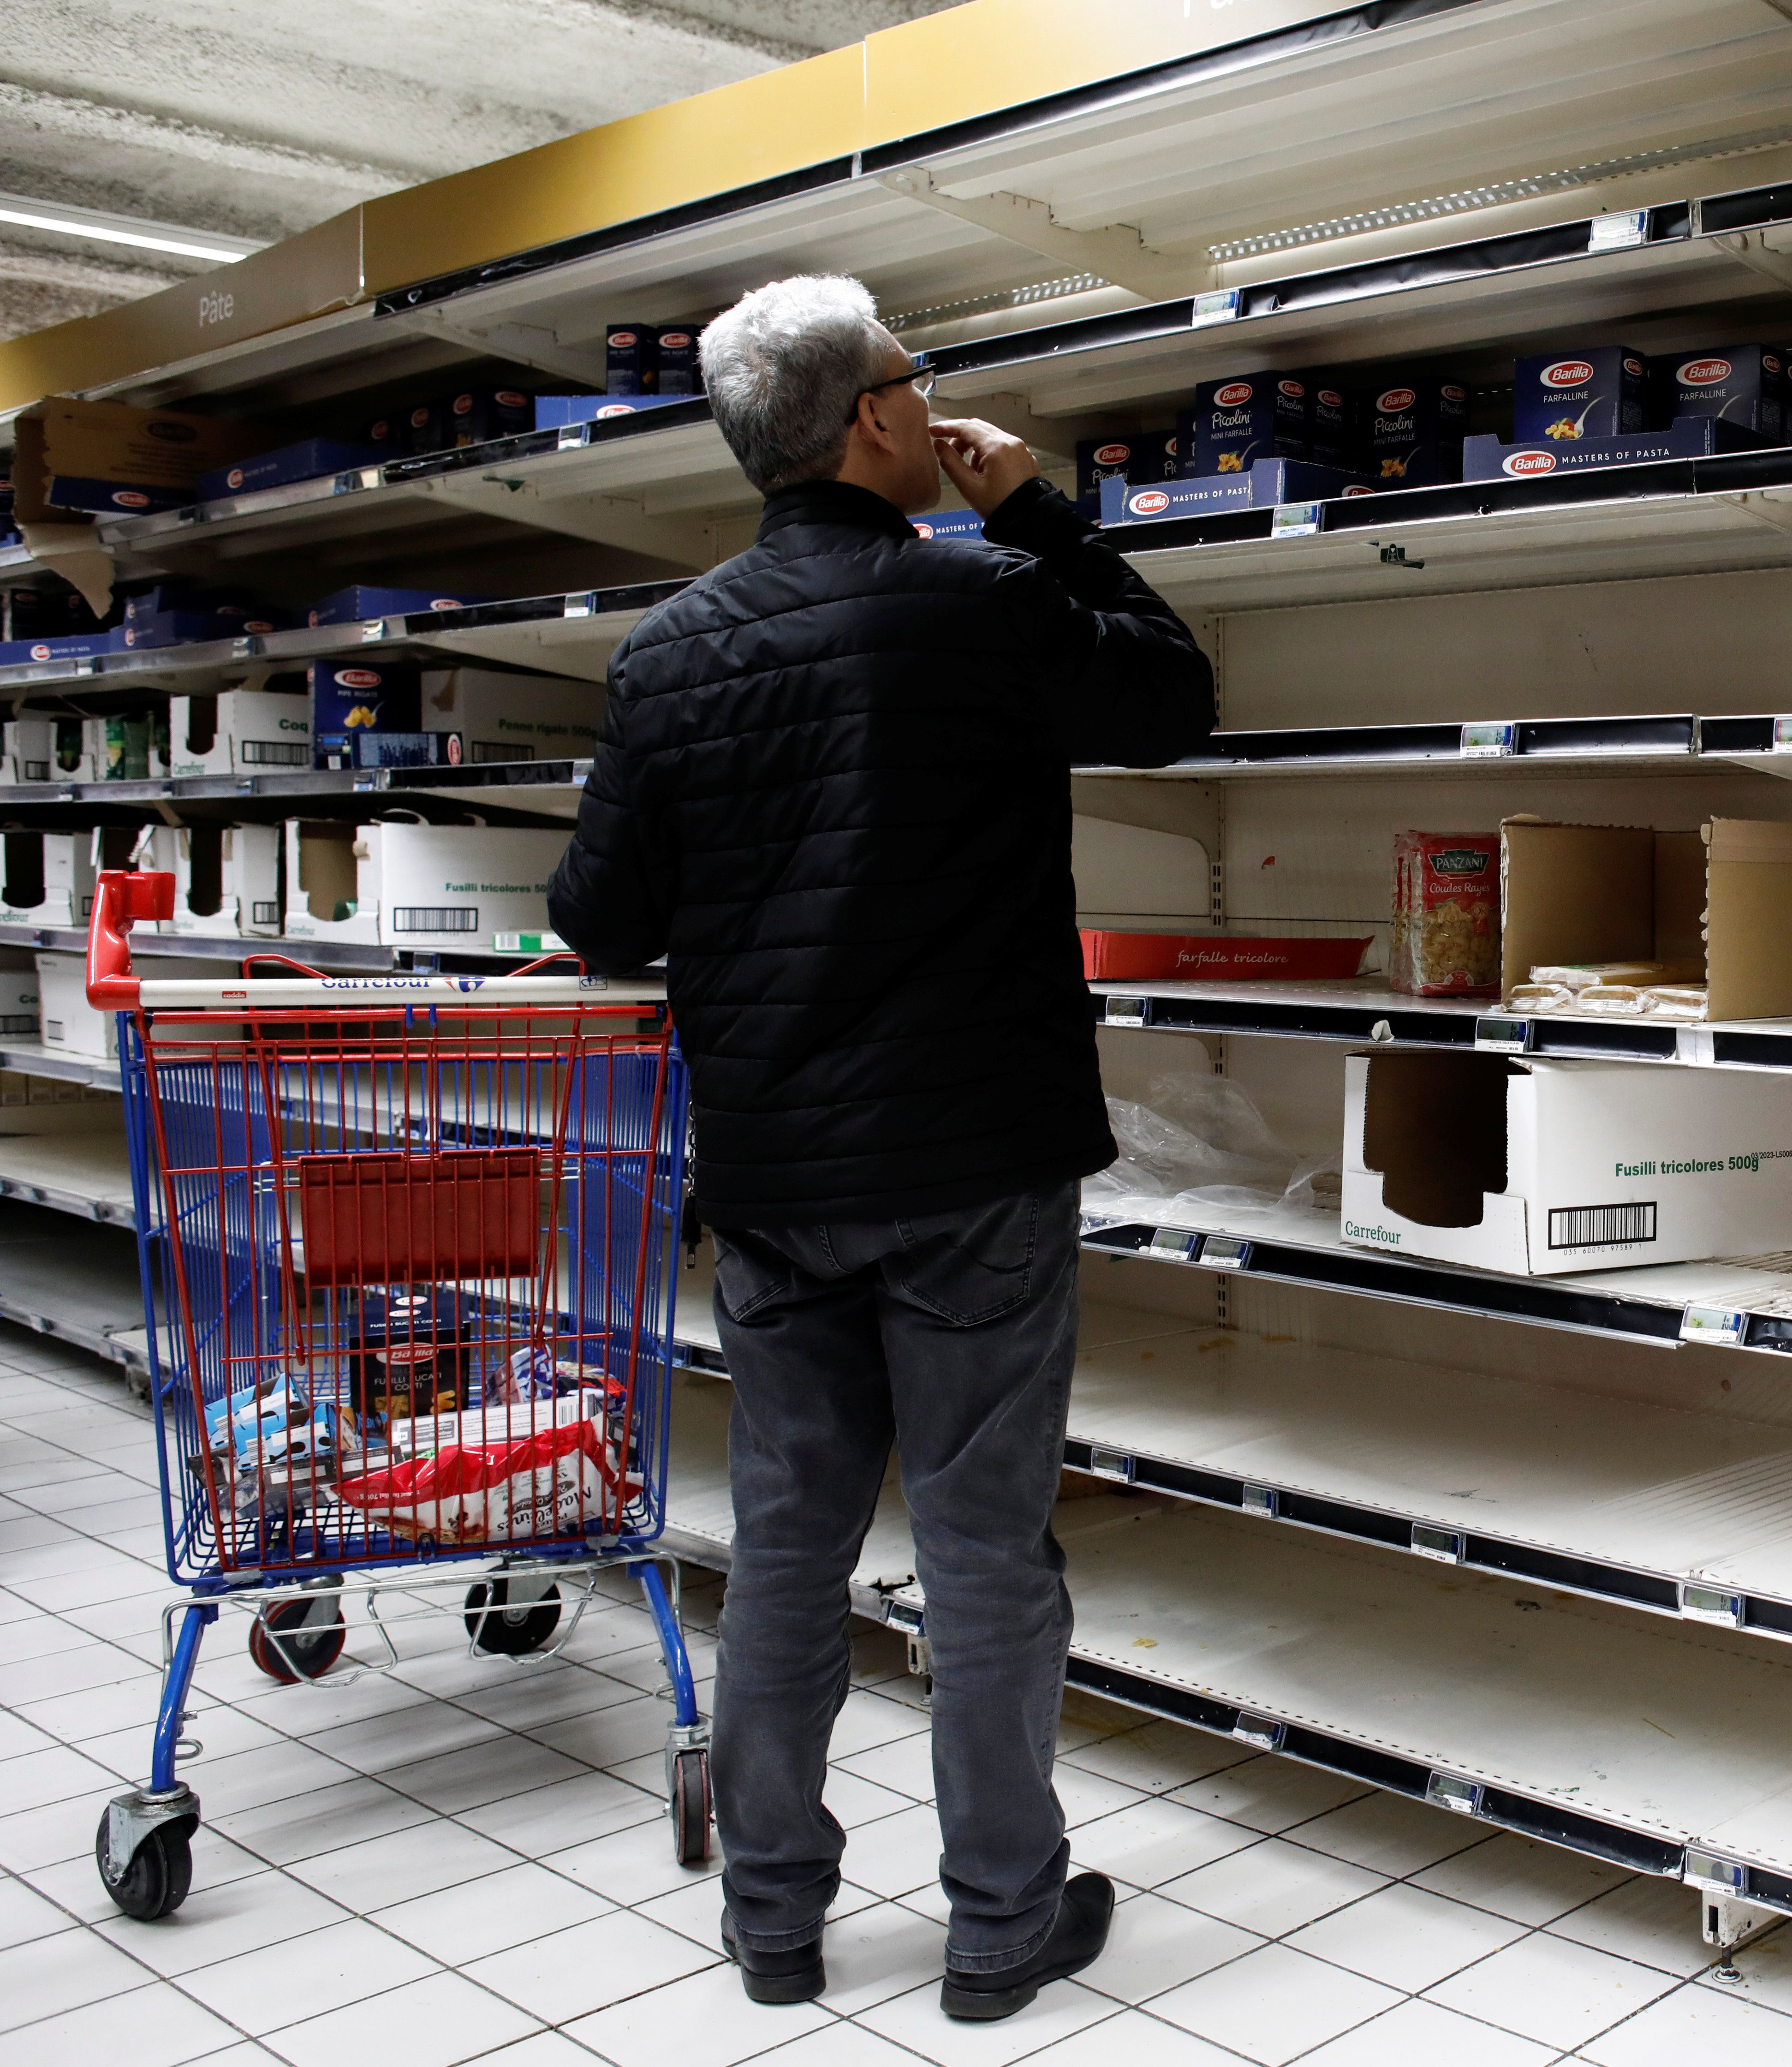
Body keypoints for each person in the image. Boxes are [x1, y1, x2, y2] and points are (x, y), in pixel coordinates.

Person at [550, 274, 1215, 2021]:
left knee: (786, 1549)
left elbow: (601, 921)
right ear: (871, 421)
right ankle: (1002, 1925)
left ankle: (773, 1921)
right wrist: (1038, 510)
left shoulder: (669, 650)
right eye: (923, 385)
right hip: (976, 1173)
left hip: (777, 1182)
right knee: (987, 1554)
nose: (940, 408)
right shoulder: (980, 600)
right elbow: (1172, 699)